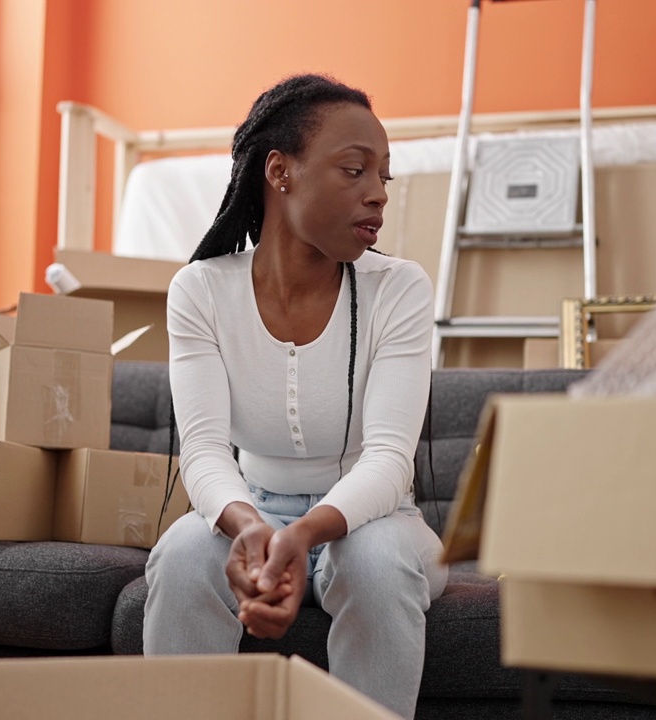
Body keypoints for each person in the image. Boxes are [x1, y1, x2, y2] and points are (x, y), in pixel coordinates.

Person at [143, 73, 447, 719]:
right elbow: (201, 451)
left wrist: (304, 534)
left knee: (377, 562)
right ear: (280, 172)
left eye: (383, 178)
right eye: (354, 170)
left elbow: (390, 459)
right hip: (253, 505)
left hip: (380, 519)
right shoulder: (199, 291)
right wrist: (251, 527)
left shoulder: (400, 289)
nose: (377, 195)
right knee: (182, 555)